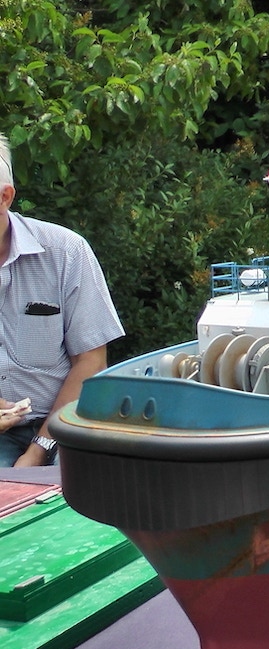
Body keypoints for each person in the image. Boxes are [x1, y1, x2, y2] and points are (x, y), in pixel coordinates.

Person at [0, 132, 124, 467]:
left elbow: (91, 362)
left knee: (83, 486)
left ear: (5, 197)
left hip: (68, 421)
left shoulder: (66, 252)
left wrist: (37, 450)